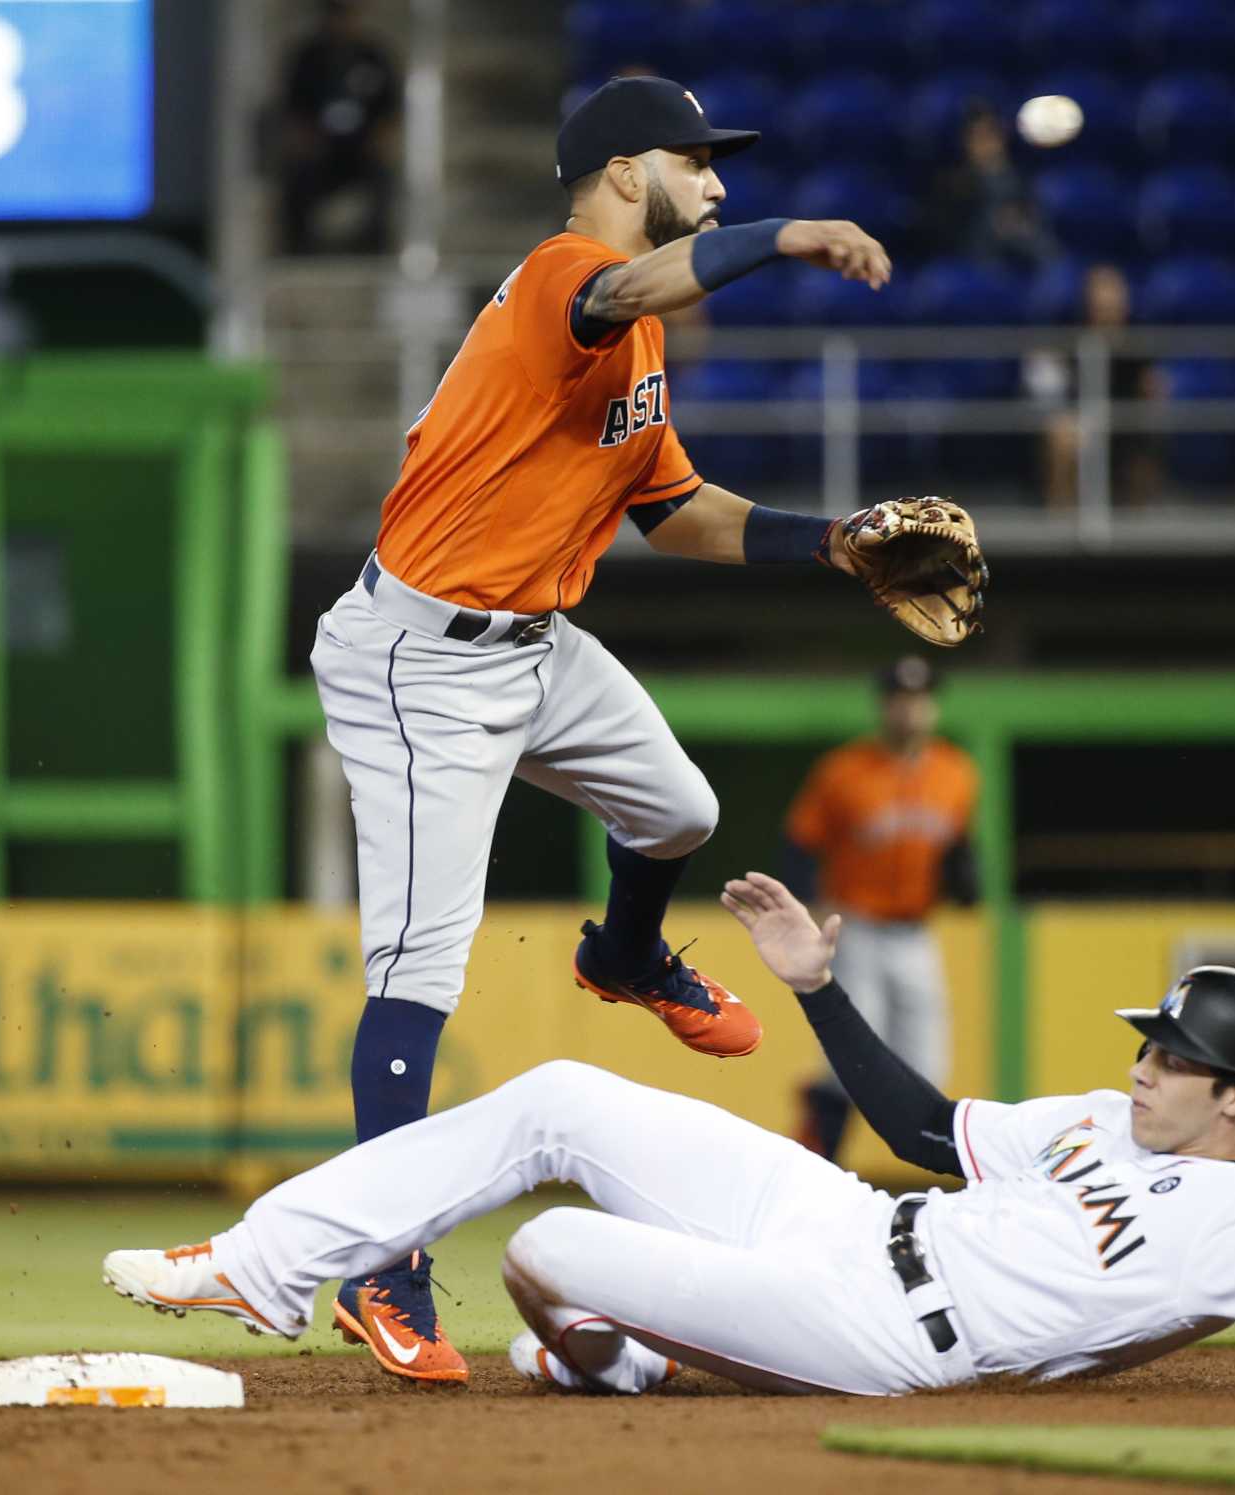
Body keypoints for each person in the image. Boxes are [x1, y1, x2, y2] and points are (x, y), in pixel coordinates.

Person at [304, 74, 895, 1386]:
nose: (721, 180)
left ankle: (627, 955)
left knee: (677, 809)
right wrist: (792, 238)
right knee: (419, 963)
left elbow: (674, 509)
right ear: (627, 169)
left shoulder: (637, 345)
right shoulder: (573, 277)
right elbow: (633, 288)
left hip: (535, 639)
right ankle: (380, 1261)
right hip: (421, 656)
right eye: (700, 159)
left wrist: (831, 541)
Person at [103, 874, 1235, 1397]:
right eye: (1151, 1039)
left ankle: (612, 1354)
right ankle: (268, 1262)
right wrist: (818, 987)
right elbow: (923, 1127)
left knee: (550, 1244)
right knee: (558, 1094)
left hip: (881, 1336)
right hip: (842, 1215)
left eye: (1177, 1056)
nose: (1145, 1063)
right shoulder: (1096, 1117)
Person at [780, 656, 979, 1161]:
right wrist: (803, 909)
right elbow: (801, 844)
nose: (910, 710)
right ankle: (816, 1162)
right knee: (851, 1056)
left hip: (916, 932)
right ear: (884, 705)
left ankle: (939, 1177)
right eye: (901, 699)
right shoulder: (845, 770)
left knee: (927, 1066)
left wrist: (965, 876)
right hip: (857, 926)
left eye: (920, 700)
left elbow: (959, 845)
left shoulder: (955, 771)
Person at [1029, 263, 1164, 513]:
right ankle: (1060, 514)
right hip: (1082, 421)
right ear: (1089, 300)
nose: (1110, 302)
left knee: (1149, 430)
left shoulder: (1137, 344)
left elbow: (1150, 389)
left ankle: (1139, 517)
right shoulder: (1070, 340)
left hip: (1125, 423)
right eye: (1103, 295)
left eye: (1115, 295)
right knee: (1061, 435)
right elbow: (1049, 384)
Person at [278, 0, 404, 255]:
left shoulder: (374, 57)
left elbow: (391, 107)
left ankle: (376, 245)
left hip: (363, 145)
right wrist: (304, 137)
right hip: (319, 145)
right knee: (297, 174)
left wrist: (380, 137)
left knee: (383, 175)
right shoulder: (308, 58)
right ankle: (299, 246)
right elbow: (293, 106)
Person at [923, 102, 1057, 268]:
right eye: (978, 137)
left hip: (1026, 264)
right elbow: (943, 238)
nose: (987, 144)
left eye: (991, 134)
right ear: (965, 142)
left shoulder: (1026, 179)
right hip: (973, 267)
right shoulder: (952, 185)